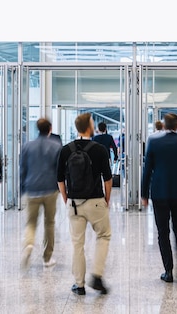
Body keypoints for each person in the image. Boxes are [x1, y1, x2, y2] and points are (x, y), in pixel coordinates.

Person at [57, 113, 112, 296]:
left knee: (77, 244)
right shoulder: (99, 149)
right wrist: (107, 199)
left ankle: (79, 285)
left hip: (74, 203)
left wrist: (67, 199)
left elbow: (59, 180)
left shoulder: (66, 150)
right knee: (103, 236)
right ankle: (96, 275)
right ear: (90, 128)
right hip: (96, 201)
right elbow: (108, 178)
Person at [141, 113, 177, 283]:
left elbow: (147, 170)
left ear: (164, 126)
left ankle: (168, 270)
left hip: (160, 193)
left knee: (163, 232)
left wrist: (144, 194)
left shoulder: (154, 143)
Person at [20, 118, 61, 269]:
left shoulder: (27, 146)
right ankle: (47, 258)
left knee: (31, 222)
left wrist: (22, 187)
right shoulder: (56, 146)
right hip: (50, 189)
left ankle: (29, 244)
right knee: (49, 223)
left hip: (32, 189)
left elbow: (22, 169)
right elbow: (60, 170)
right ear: (50, 128)